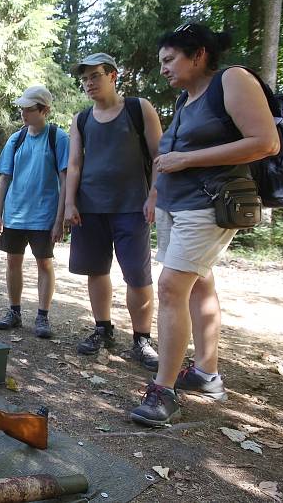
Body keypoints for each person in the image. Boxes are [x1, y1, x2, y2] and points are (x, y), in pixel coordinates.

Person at [130, 23, 279, 426]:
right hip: (177, 204)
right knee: (201, 281)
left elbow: (266, 142)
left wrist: (187, 161)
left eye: (169, 59)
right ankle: (206, 373)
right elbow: (171, 152)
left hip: (211, 203)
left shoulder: (232, 80)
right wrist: (156, 193)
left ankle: (164, 392)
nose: (162, 68)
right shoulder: (186, 99)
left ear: (197, 55)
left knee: (170, 287)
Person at [64, 53, 163, 371]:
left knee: (137, 275)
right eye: (85, 79)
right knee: (96, 270)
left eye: (95, 76)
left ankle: (142, 340)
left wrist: (154, 195)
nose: (89, 83)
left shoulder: (138, 108)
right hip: (90, 208)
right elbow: (75, 164)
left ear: (113, 76)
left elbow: (159, 155)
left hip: (132, 207)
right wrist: (70, 203)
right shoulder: (81, 119)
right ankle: (102, 328)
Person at [0, 85, 69, 339]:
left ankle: (42, 316)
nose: (23, 113)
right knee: (13, 261)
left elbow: (65, 180)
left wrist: (60, 220)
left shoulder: (58, 138)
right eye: (22, 108)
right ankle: (14, 312)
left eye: (29, 109)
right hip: (15, 214)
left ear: (44, 110)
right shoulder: (16, 139)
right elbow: (4, 178)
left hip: (44, 215)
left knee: (44, 263)